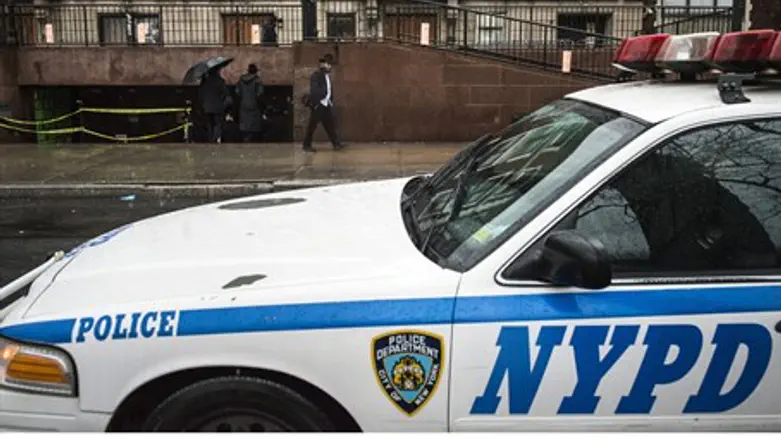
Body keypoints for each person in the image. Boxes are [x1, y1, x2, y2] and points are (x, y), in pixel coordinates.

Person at [302, 54, 346, 152]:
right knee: (312, 126)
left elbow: (329, 89)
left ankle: (336, 144)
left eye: (330, 64)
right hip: (319, 105)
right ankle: (306, 145)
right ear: (323, 65)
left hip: (326, 104)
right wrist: (319, 101)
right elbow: (315, 90)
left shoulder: (328, 76)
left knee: (330, 125)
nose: (330, 66)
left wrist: (329, 100)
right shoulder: (316, 75)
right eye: (328, 64)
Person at [199, 68, 231, 143]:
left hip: (207, 107)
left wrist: (203, 104)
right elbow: (225, 93)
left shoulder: (205, 82)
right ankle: (215, 139)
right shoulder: (220, 81)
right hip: (217, 107)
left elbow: (201, 95)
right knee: (218, 123)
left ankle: (210, 139)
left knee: (210, 124)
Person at [236, 63, 265, 142]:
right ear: (255, 71)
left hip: (243, 104)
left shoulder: (241, 80)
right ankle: (252, 141)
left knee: (245, 125)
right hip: (254, 105)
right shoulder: (258, 80)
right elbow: (260, 93)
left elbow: (237, 92)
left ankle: (246, 139)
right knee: (253, 126)